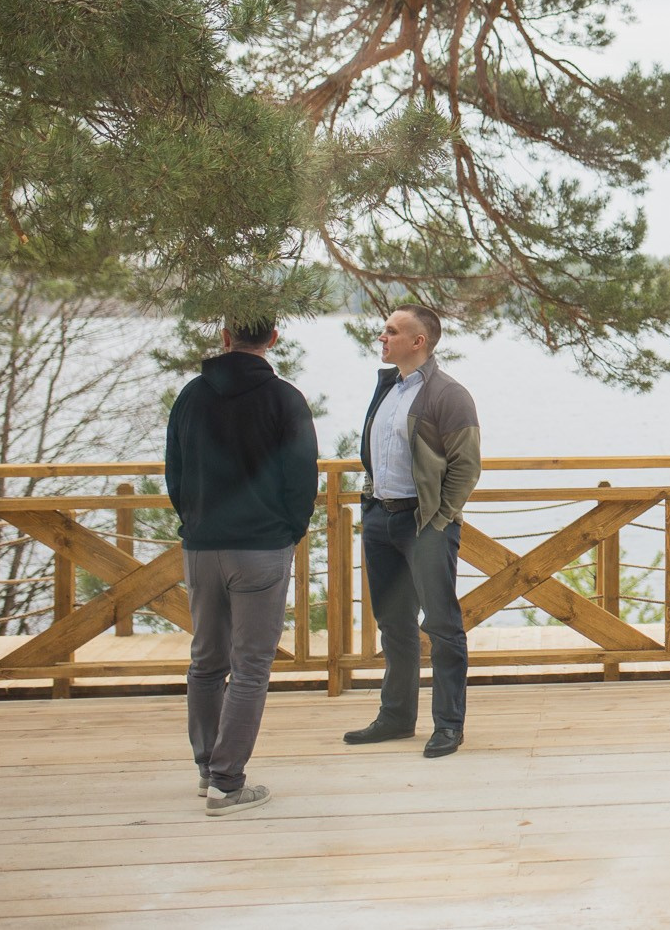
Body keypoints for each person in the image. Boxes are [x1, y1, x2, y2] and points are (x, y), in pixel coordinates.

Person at [165, 316, 319, 817]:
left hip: (202, 545)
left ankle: (208, 768)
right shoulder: (285, 399)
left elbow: (175, 469)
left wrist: (195, 521)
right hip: (260, 549)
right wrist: (289, 531)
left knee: (206, 660)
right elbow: (302, 479)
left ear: (225, 336)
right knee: (250, 667)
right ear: (273, 339)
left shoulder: (191, 395)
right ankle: (228, 785)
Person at [344, 304, 482, 758]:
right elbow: (378, 454)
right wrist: (370, 498)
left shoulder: (448, 394)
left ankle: (448, 725)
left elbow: (466, 466)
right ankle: (397, 717)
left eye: (391, 331)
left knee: (441, 626)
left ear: (418, 341)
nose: (381, 338)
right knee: (394, 625)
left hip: (424, 524)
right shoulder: (387, 387)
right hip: (380, 518)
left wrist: (440, 519)